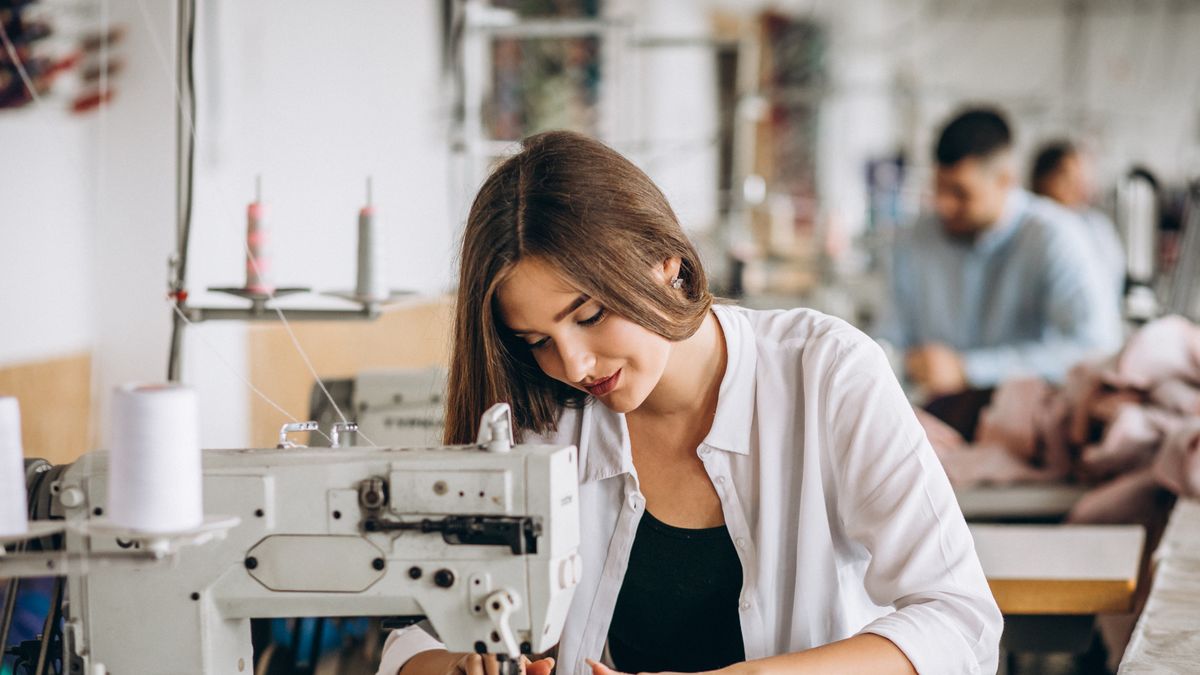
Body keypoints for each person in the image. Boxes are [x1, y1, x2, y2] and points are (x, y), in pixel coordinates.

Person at [376, 131, 1001, 675]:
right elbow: (417, 633)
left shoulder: (827, 373)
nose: (574, 366)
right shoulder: (543, 412)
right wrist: (460, 665)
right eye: (538, 341)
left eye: (589, 316)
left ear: (665, 261)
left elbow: (959, 623)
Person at [875, 108, 1122, 400]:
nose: (944, 205)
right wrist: (903, 362)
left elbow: (1094, 348)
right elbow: (889, 337)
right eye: (939, 188)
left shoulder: (1056, 237)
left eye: (961, 193)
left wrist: (968, 369)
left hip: (1026, 416)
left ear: (1005, 180)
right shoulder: (915, 239)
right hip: (931, 409)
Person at [1030, 140, 1126, 298]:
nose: (1077, 186)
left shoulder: (1097, 226)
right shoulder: (1026, 228)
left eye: (1079, 178)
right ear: (1042, 179)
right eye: (1066, 177)